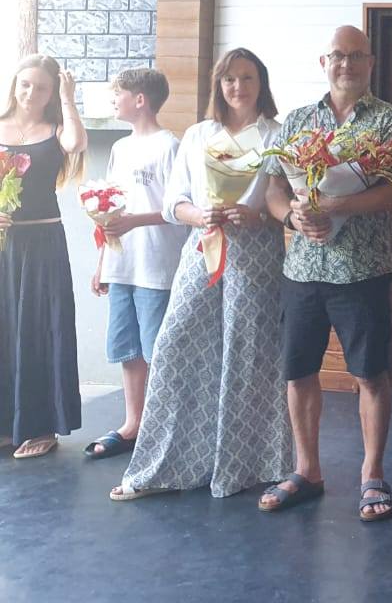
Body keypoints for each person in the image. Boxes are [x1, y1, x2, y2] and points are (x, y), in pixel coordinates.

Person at [112, 48, 292, 499]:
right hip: (201, 250)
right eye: (229, 79)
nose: (238, 87)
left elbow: (283, 199)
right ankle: (167, 465)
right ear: (218, 84)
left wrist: (256, 216)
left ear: (261, 83)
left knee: (248, 356)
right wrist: (200, 215)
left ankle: (246, 466)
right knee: (173, 345)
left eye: (247, 78)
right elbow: (174, 203)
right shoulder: (197, 134)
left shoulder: (277, 134)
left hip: (256, 255)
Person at [259, 25, 392, 523]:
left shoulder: (390, 121)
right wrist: (292, 217)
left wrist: (336, 204)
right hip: (302, 269)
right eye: (337, 56)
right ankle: (307, 471)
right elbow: (273, 188)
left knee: (369, 373)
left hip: (362, 270)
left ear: (371, 63)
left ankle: (372, 474)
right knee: (299, 371)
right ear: (323, 62)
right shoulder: (297, 120)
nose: (346, 64)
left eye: (355, 55)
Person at [84, 68, 186, 460]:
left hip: (156, 265)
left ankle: (162, 428)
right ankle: (133, 423)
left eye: (119, 94)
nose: (114, 100)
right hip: (121, 263)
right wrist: (102, 262)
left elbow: (178, 209)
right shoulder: (120, 148)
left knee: (158, 351)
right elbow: (108, 209)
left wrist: (135, 222)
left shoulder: (169, 146)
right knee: (128, 348)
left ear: (140, 99)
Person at [0, 55, 86, 458]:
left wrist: (68, 97)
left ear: (52, 93)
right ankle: (7, 425)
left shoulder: (57, 130)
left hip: (43, 245)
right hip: (4, 244)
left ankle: (41, 426)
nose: (31, 93)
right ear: (14, 84)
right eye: (25, 84)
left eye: (42, 87)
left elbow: (76, 144)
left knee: (39, 329)